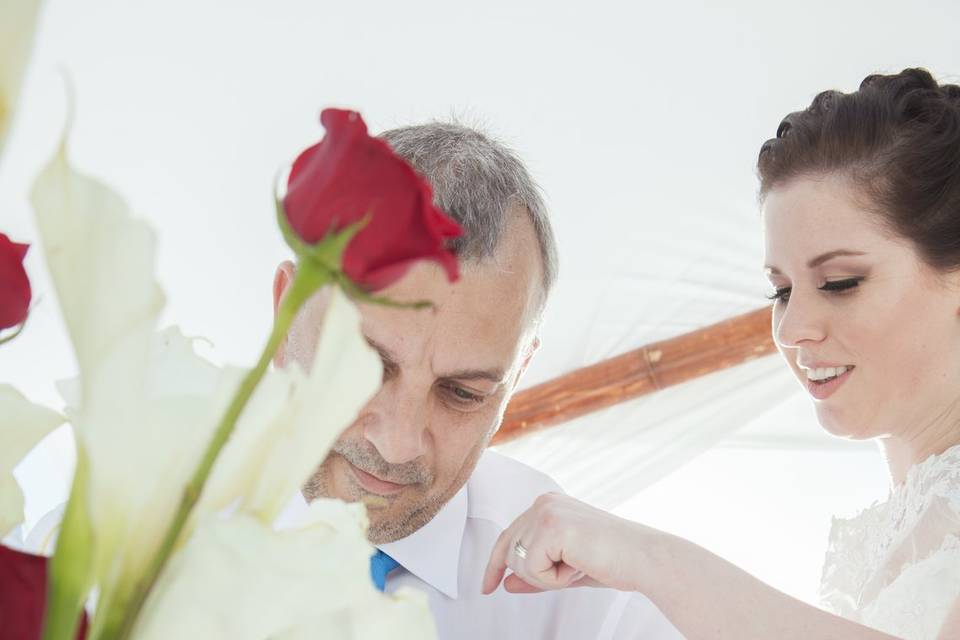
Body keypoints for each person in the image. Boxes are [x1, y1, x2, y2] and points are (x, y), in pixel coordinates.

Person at [482, 68, 960, 640]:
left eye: (839, 283)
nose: (791, 329)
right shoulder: (904, 527)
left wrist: (652, 561)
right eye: (781, 292)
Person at [272, 122, 682, 639]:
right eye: (365, 365)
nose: (398, 445)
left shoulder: (585, 597)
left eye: (462, 394)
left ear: (517, 376)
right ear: (285, 316)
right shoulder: (154, 509)